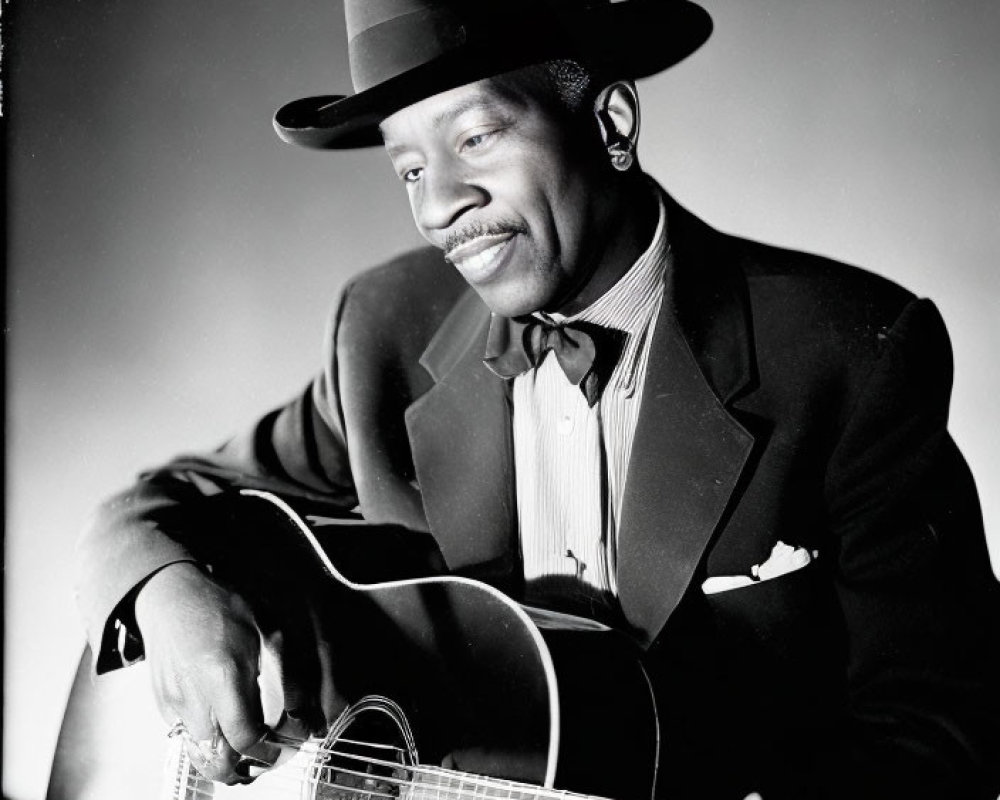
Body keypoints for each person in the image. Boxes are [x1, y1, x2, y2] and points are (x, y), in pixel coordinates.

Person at [75, 1, 1000, 798]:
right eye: (406, 168)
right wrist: (163, 595)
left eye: (475, 138)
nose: (437, 203)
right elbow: (152, 505)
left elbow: (946, 736)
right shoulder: (384, 336)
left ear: (610, 124)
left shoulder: (848, 353)